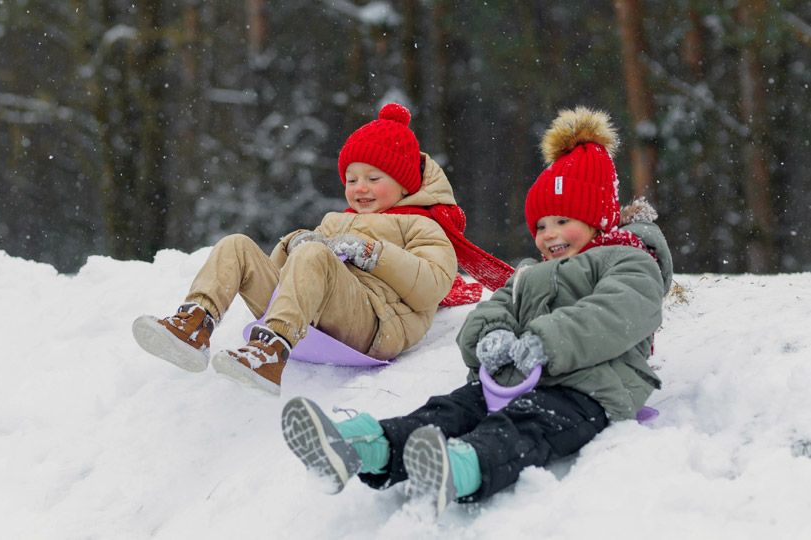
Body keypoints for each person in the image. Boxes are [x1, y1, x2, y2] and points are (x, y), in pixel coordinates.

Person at [280, 106, 674, 515]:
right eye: (540, 225)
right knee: (449, 409)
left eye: (563, 220)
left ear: (598, 219)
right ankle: (366, 447)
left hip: (591, 392)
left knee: (523, 426)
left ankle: (461, 466)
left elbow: (615, 314)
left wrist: (544, 341)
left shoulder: (629, 261)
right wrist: (490, 338)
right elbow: (494, 309)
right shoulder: (531, 275)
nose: (549, 234)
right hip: (517, 378)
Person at [132, 103, 512, 395]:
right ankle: (194, 325)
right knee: (237, 245)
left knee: (315, 255)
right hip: (316, 314)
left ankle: (268, 354)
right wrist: (294, 242)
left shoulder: (424, 225)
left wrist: (373, 253)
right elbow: (290, 274)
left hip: (376, 323)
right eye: (352, 178)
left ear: (403, 183)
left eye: (373, 179)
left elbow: (433, 285)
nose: (360, 188)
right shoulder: (335, 221)